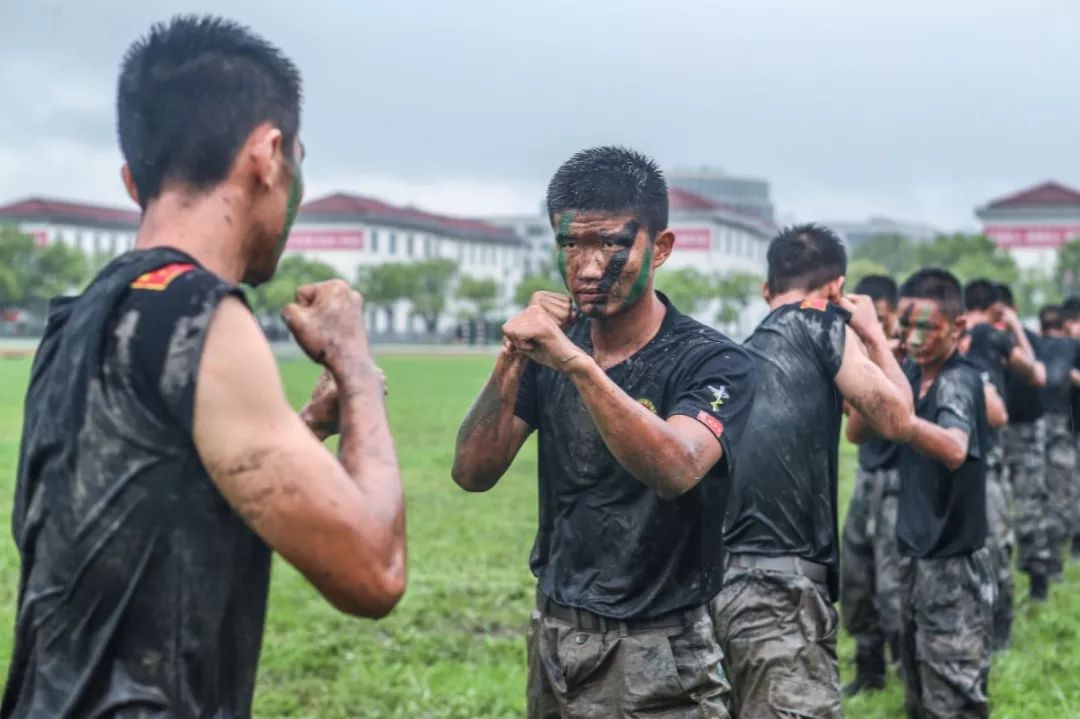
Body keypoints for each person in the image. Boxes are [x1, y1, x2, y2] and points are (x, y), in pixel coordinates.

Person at [2, 17, 406, 718]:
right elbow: (375, 568)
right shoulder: (200, 311)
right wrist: (357, 365)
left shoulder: (78, 318)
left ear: (134, 179)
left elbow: (162, 493)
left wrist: (310, 422)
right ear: (270, 154)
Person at [452, 146, 756, 718]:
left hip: (663, 649)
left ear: (659, 248)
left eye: (612, 243)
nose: (588, 267)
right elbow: (472, 473)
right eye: (571, 244)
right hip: (557, 633)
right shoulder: (549, 354)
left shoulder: (715, 361)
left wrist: (576, 363)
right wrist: (513, 357)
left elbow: (675, 467)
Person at [714, 225, 915, 719]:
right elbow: (898, 418)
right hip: (779, 599)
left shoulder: (739, 353)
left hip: (716, 586)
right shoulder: (820, 324)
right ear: (836, 290)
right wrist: (871, 332)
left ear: (767, 291)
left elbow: (857, 431)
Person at [893, 268, 1003, 719]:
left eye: (926, 327)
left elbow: (955, 448)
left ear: (957, 328)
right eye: (906, 326)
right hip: (917, 557)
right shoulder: (910, 373)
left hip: (952, 564)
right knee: (921, 689)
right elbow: (859, 431)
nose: (915, 338)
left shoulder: (957, 379)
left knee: (953, 697)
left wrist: (902, 422)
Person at [961, 278, 1043, 650]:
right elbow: (1035, 373)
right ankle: (1000, 632)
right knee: (995, 543)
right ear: (996, 307)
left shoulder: (949, 335)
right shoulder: (995, 338)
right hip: (988, 453)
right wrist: (1013, 326)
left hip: (950, 452)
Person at [839, 274, 905, 696]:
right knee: (857, 577)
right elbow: (852, 416)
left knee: (894, 584)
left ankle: (910, 672)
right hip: (868, 476)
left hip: (904, 482)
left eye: (880, 318)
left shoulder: (912, 356)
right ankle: (869, 669)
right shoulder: (857, 355)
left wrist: (882, 354)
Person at [997, 284, 1053, 600]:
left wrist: (1016, 329)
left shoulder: (1030, 341)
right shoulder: (982, 341)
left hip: (1028, 433)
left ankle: (1038, 578)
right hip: (997, 436)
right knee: (999, 513)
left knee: (1031, 509)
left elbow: (1040, 373)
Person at [1036, 305, 1080, 582]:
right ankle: (1060, 558)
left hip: (1046, 430)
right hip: (1065, 430)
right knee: (1063, 494)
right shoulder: (1069, 348)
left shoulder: (1035, 347)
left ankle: (1051, 561)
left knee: (1052, 494)